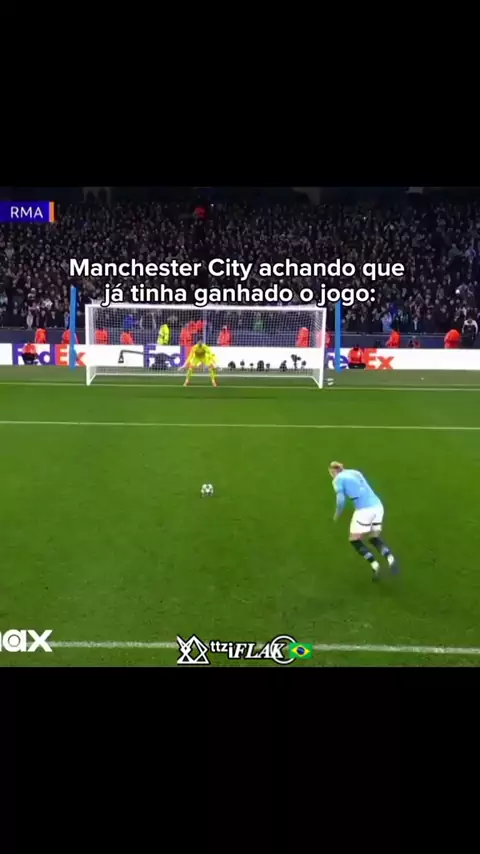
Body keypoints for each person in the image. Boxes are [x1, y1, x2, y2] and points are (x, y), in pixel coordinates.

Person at [329, 461, 398, 580]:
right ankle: (390, 558)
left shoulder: (338, 479)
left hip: (364, 510)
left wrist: (337, 514)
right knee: (373, 538)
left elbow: (340, 500)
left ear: (333, 471)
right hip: (378, 506)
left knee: (354, 540)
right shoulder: (355, 472)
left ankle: (375, 565)